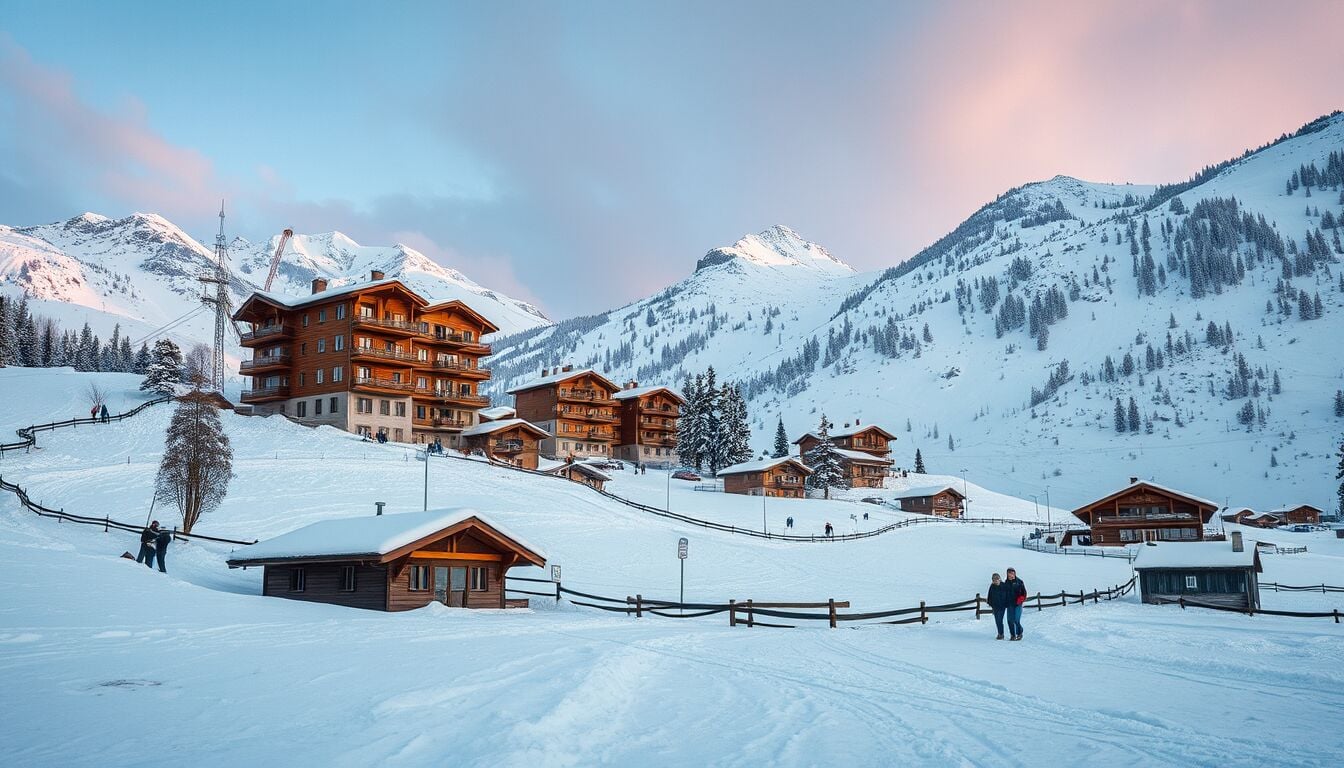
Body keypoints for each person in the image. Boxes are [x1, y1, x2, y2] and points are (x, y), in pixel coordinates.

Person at [1004, 567, 1027, 640]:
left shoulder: (1019, 582)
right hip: (1009, 604)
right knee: (1010, 620)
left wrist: (1021, 599)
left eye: (1012, 573)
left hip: (1018, 604)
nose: (1011, 575)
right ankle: (1012, 635)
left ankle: (1019, 633)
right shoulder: (1006, 583)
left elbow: (1024, 593)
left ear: (1015, 574)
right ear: (1007, 574)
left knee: (1016, 620)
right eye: (1009, 573)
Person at [986, 572, 1009, 640]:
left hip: (1002, 606)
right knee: (997, 621)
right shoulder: (992, 586)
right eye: (994, 579)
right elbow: (989, 596)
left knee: (999, 620)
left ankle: (1001, 634)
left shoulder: (1004, 585)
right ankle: (1000, 633)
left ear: (999, 579)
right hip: (995, 607)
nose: (995, 580)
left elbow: (1007, 595)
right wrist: (991, 604)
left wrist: (1006, 603)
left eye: (997, 578)